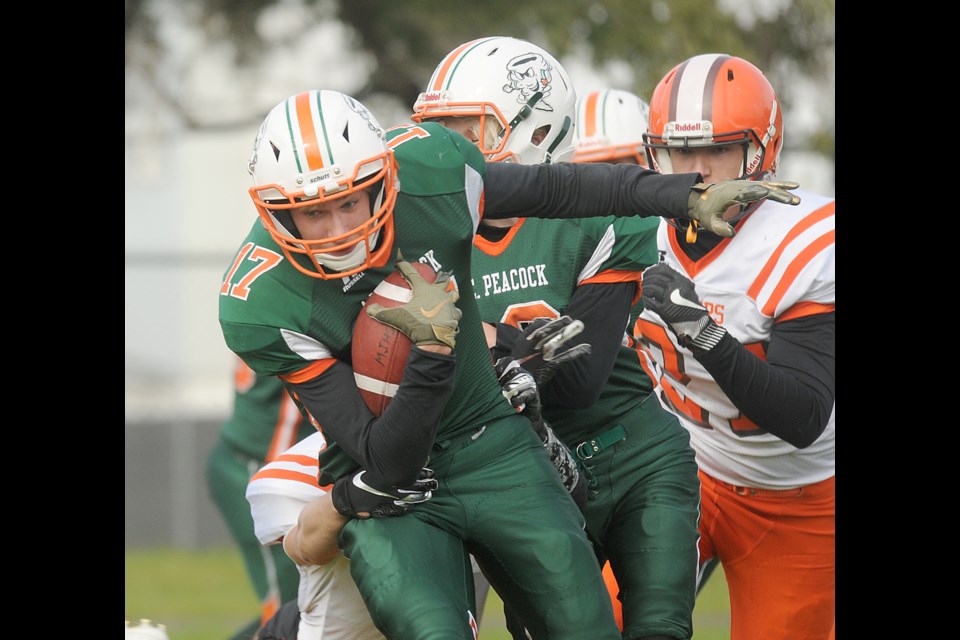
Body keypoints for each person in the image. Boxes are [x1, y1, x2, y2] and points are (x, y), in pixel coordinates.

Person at [218, 85, 799, 638]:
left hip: (491, 441)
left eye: (348, 201)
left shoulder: (433, 172)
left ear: (383, 181)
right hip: (392, 483)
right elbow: (385, 461)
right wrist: (432, 354)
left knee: (585, 628)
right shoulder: (262, 303)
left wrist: (682, 195)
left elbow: (561, 190)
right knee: (431, 630)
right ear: (274, 213)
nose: (338, 230)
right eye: (312, 213)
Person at [412, 41, 701, 640]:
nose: (446, 153)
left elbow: (577, 377)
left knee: (658, 629)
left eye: (465, 130)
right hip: (529, 468)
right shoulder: (429, 229)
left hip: (635, 455)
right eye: (437, 132)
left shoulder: (594, 219)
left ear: (536, 130)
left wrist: (492, 344)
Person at [634, 53, 835, 640]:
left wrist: (704, 332)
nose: (696, 172)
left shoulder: (801, 242)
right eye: (680, 150)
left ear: (762, 150)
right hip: (681, 469)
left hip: (795, 496)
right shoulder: (632, 225)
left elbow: (802, 415)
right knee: (593, 620)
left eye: (718, 149)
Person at [206, 356, 316, 639]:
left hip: (259, 462)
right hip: (260, 471)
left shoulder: (258, 315)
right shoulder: (299, 319)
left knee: (310, 606)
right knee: (292, 614)